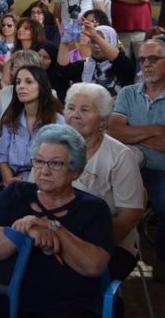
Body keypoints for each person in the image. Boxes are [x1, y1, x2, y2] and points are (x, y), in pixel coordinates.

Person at [0, 125, 114, 318]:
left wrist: (54, 228)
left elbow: (94, 265)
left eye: (56, 163)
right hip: (6, 301)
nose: (44, 170)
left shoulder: (93, 208)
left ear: (75, 169)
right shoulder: (17, 193)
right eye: (39, 161)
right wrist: (26, 232)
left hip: (67, 307)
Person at [109, 37, 165, 280]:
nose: (146, 64)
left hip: (163, 169)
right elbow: (114, 131)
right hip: (126, 166)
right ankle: (110, 259)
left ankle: (164, 258)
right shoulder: (127, 93)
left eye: (153, 59)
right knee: (99, 205)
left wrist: (132, 134)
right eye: (142, 59)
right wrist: (156, 128)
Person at [60, 83, 145, 281]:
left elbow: (130, 215)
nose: (75, 115)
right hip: (56, 238)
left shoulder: (120, 156)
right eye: (71, 108)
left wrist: (91, 246)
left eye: (85, 109)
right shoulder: (53, 146)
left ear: (103, 121)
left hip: (109, 242)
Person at [0, 66, 65, 185]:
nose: (21, 86)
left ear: (41, 86)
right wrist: (8, 180)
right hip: (14, 181)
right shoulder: (10, 118)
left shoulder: (58, 122)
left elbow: (60, 162)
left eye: (28, 82)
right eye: (18, 82)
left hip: (45, 182)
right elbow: (3, 157)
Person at [56, 22, 135, 98]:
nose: (96, 46)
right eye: (93, 42)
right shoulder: (84, 66)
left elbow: (119, 59)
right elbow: (64, 70)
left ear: (112, 42)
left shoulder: (124, 65)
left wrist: (95, 36)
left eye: (101, 41)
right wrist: (64, 42)